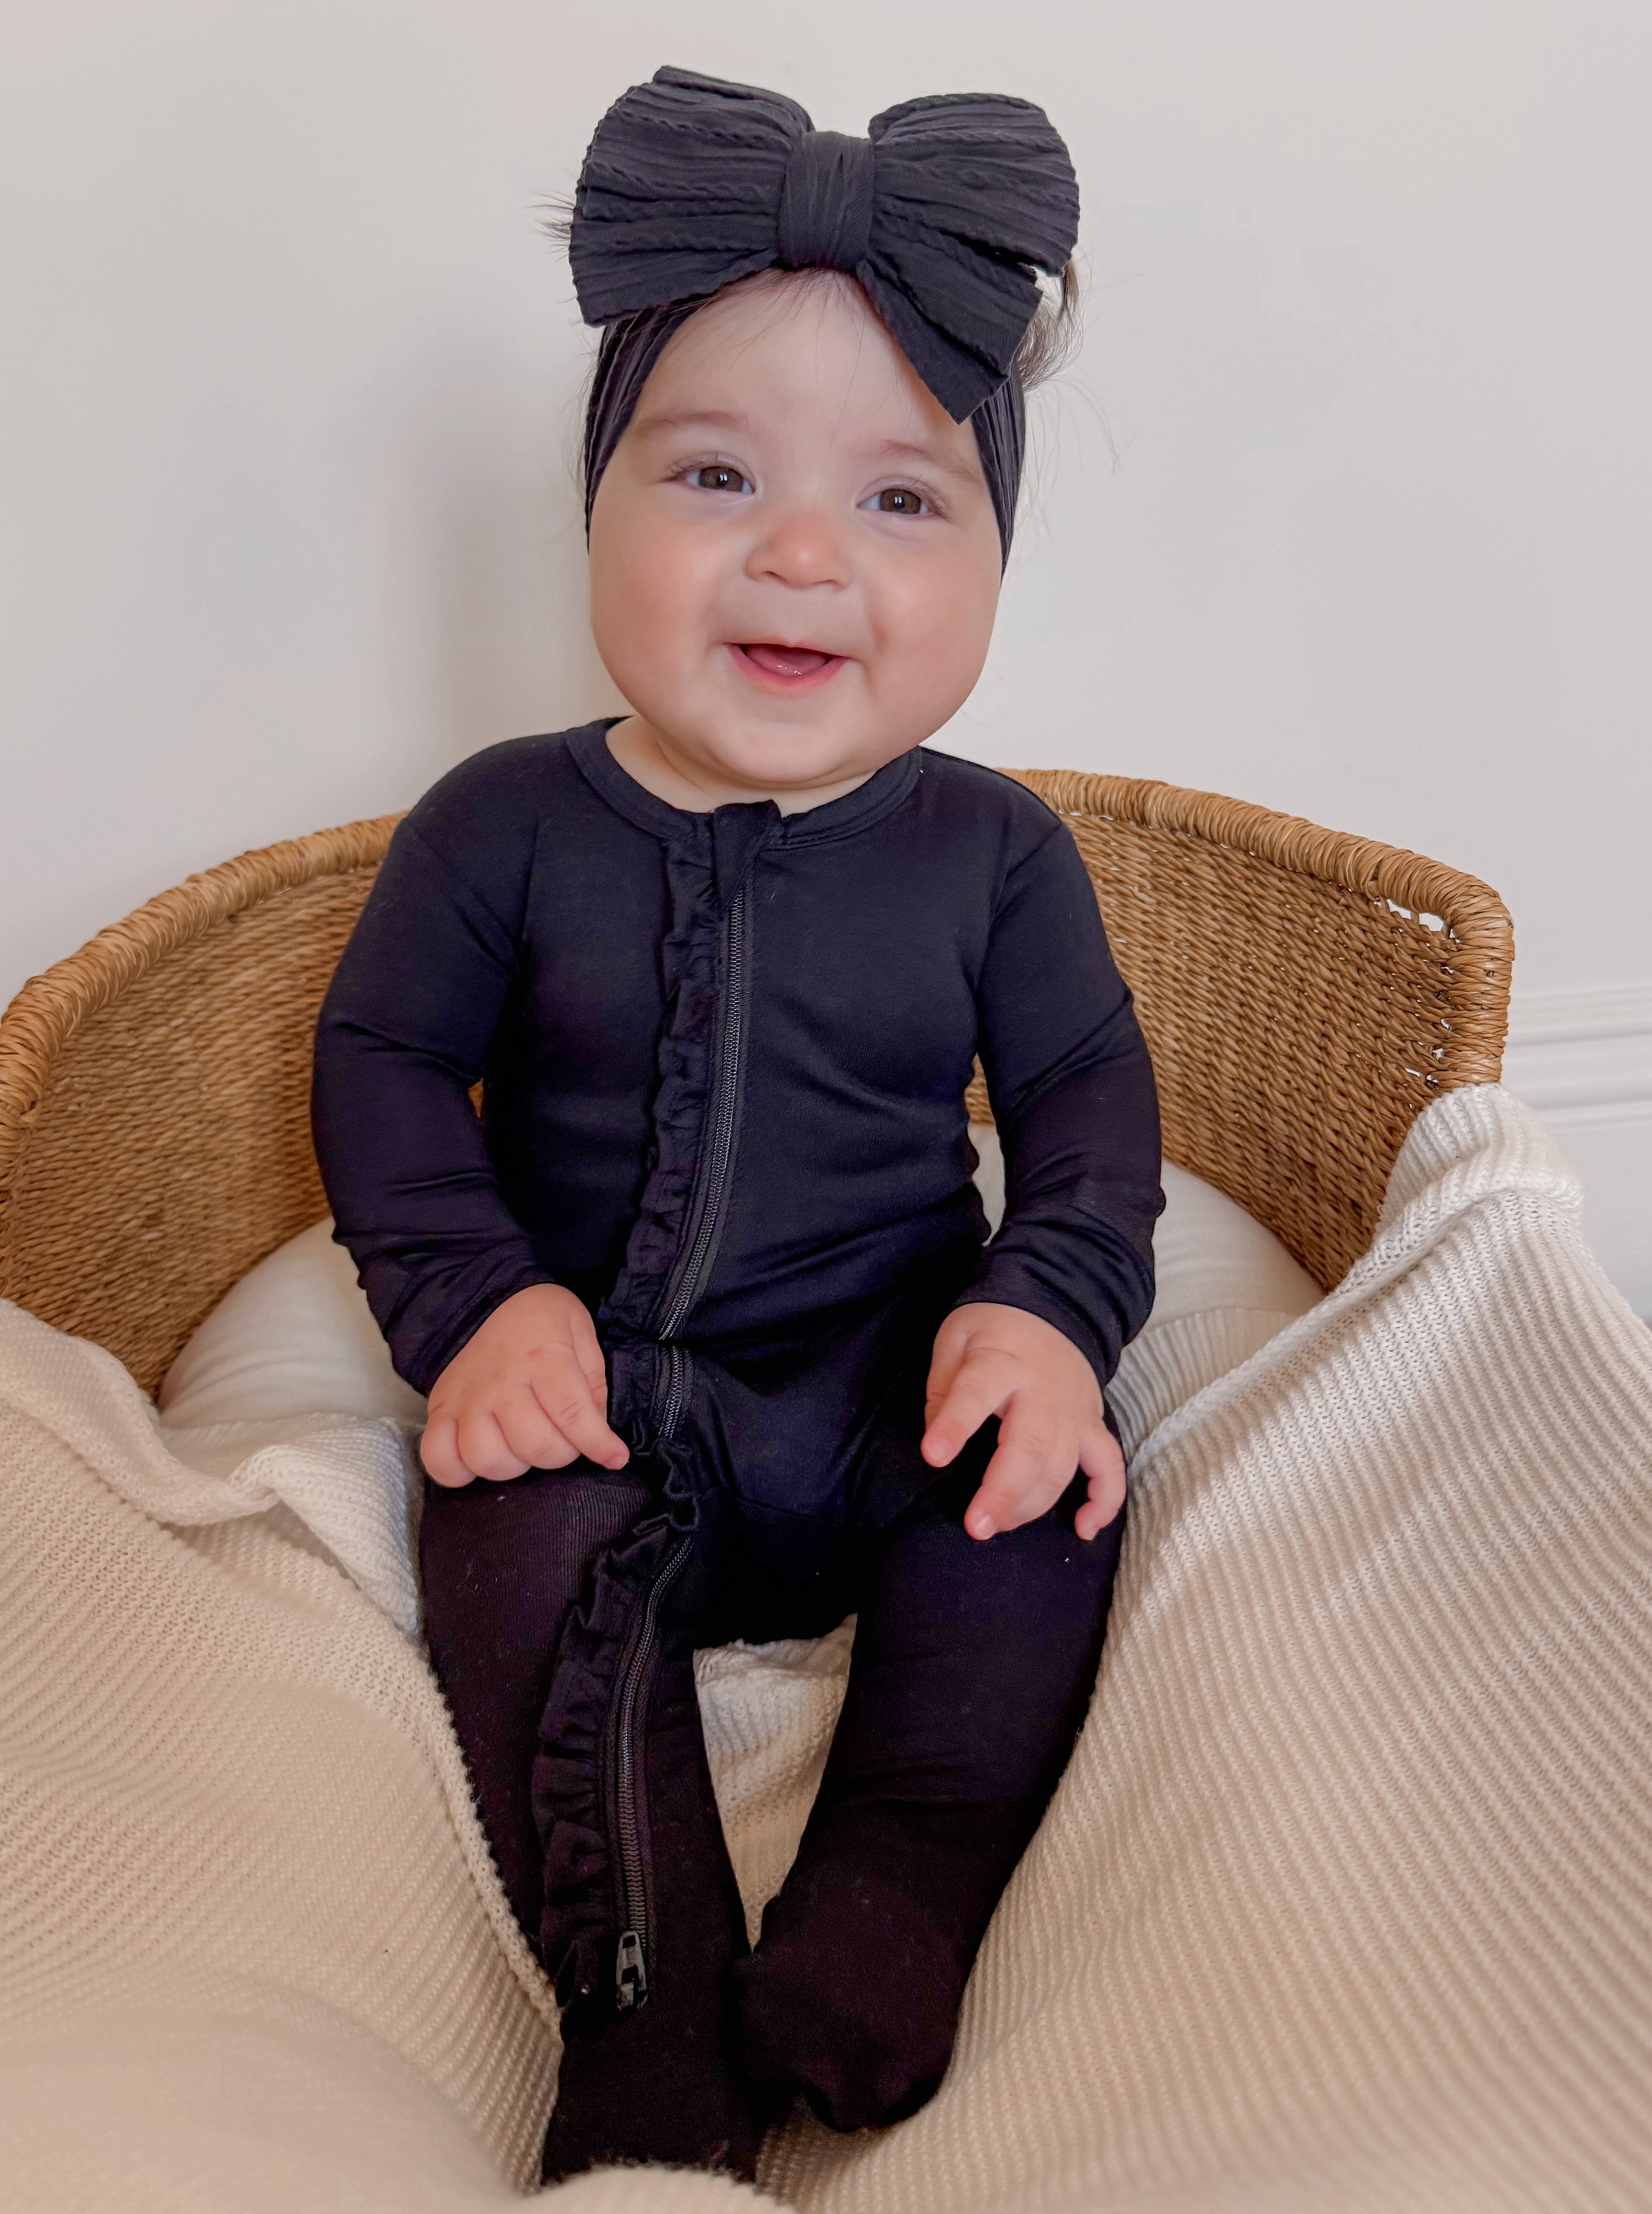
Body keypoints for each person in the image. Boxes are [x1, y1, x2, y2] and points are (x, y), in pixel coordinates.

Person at [311, 65, 1162, 2182]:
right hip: (603, 1397)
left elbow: (1082, 1100)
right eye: (712, 473)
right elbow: (386, 1065)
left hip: (888, 1380)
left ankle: (892, 1898)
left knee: (1040, 1507)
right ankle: (649, 2002)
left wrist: (1049, 1307)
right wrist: (479, 1304)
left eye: (902, 497)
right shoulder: (498, 824)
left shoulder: (994, 854)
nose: (801, 553)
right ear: (592, 510)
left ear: (988, 558)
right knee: (501, 1522)